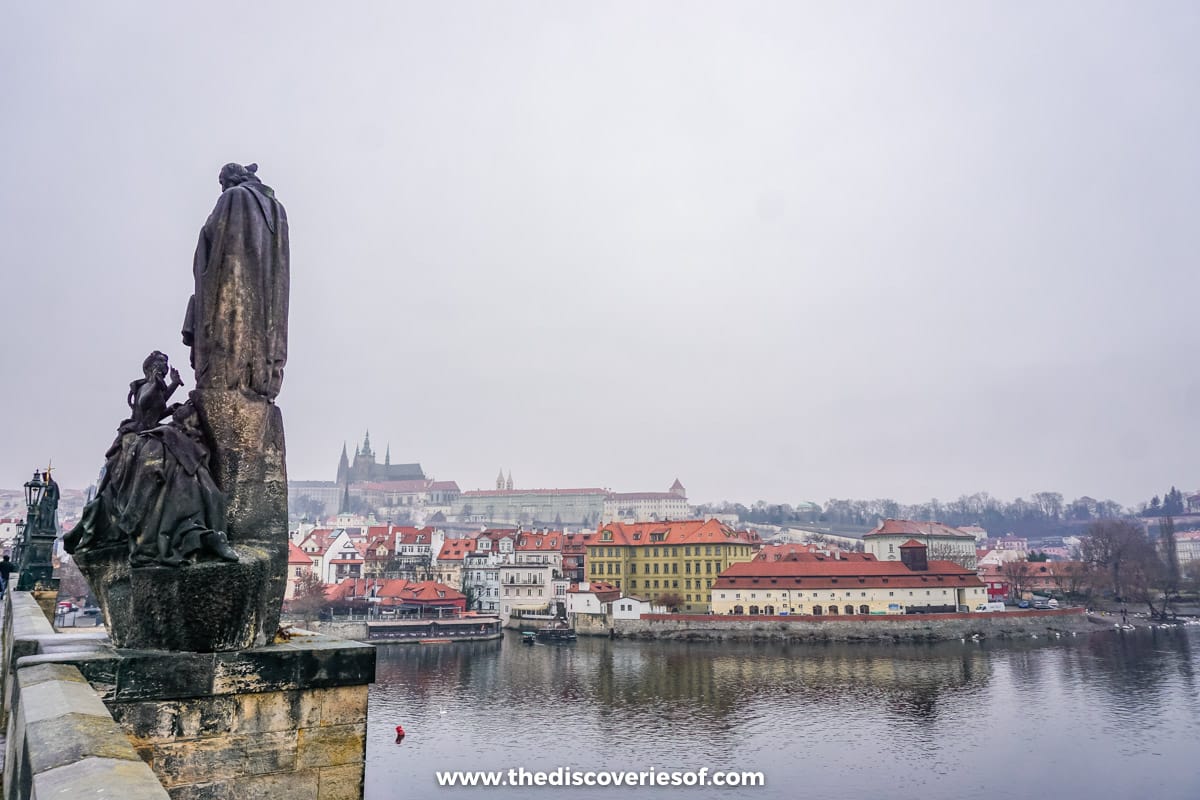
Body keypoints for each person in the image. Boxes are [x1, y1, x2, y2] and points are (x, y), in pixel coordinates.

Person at [182, 162, 289, 399]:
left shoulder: (233, 197)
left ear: (231, 179)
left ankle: (227, 377)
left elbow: (211, 237)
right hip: (265, 304)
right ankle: (258, 377)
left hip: (229, 287)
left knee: (228, 332)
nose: (221, 189)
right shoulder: (277, 210)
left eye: (222, 183)